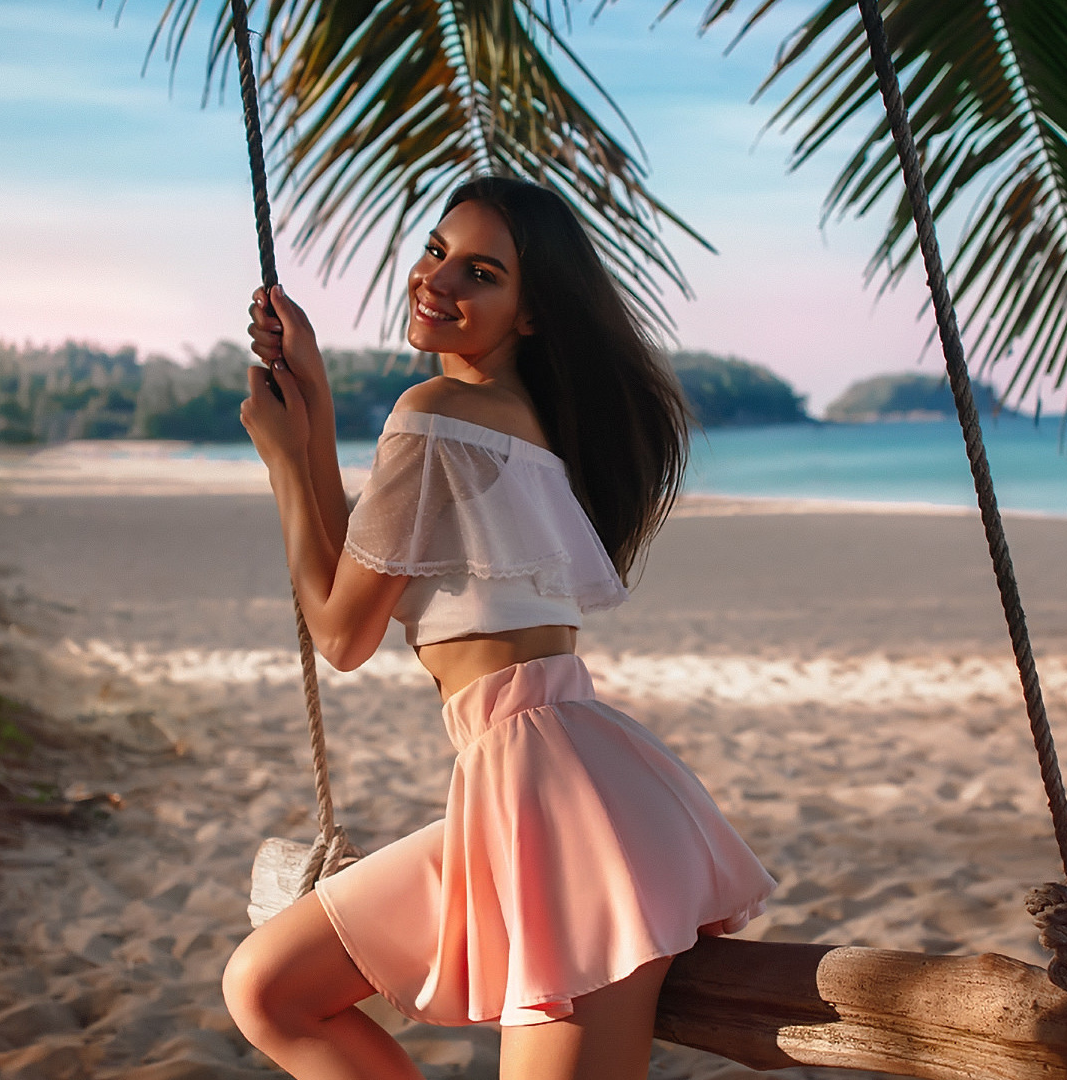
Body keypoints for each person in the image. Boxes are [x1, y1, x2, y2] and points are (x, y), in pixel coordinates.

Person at [222, 176, 775, 1080]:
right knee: (269, 987)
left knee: (271, 996)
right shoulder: (511, 426)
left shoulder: (437, 417)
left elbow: (341, 634)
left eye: (480, 272)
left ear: (528, 314)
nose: (438, 280)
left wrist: (286, 460)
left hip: (547, 792)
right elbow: (361, 562)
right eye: (437, 251)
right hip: (534, 778)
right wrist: (312, 400)